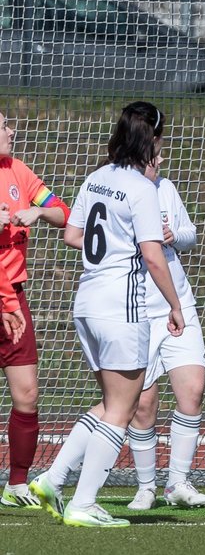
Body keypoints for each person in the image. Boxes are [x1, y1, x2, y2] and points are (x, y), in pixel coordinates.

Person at [30, 101, 185, 528]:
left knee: (110, 403)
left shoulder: (97, 177)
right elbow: (154, 257)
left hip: (87, 304)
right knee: (123, 408)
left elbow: (73, 235)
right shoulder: (141, 188)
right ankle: (83, 503)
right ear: (151, 140)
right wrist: (174, 305)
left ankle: (53, 478)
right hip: (122, 307)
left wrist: (112, 246)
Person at [125, 150, 205, 510]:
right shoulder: (122, 192)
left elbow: (190, 235)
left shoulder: (166, 189)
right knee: (143, 404)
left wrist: (172, 235)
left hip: (179, 304)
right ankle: (146, 486)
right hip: (138, 310)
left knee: (192, 389)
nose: (159, 161)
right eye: (153, 156)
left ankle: (177, 482)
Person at [0, 111, 67, 510]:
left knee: (27, 394)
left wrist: (39, 212)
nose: (12, 131)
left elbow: (65, 213)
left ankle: (17, 483)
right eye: (4, 124)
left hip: (14, 300)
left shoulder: (18, 171)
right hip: (4, 299)